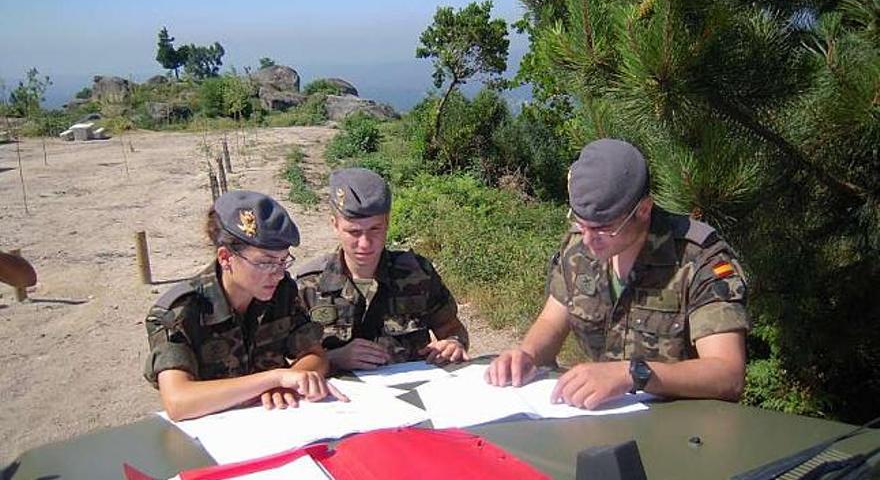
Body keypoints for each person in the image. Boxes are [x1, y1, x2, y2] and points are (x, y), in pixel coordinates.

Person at [486, 139, 750, 409]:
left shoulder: (698, 259)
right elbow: (552, 322)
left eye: (603, 228)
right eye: (580, 223)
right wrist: (527, 354)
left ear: (644, 210)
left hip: (684, 428)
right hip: (603, 418)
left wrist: (633, 374)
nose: (588, 239)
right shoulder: (579, 247)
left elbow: (727, 374)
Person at [144, 190, 346, 421]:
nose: (278, 274)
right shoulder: (179, 311)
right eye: (265, 263)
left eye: (283, 261)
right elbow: (178, 402)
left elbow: (315, 355)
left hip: (275, 420)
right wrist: (273, 379)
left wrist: (291, 380)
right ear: (225, 258)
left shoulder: (281, 292)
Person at [297, 168, 469, 371]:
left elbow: (452, 329)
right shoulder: (309, 286)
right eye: (354, 232)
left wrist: (453, 344)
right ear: (335, 225)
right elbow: (290, 366)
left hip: (411, 392)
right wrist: (334, 359)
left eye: (375, 229)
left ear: (387, 222)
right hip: (338, 398)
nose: (365, 243)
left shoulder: (417, 274)